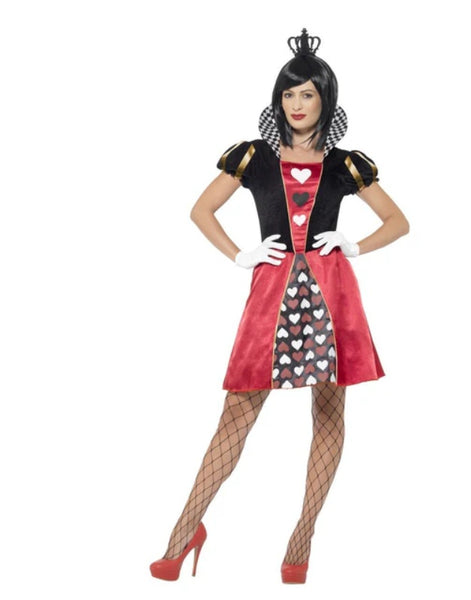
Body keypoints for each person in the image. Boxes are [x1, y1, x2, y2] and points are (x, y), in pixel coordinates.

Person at [149, 28, 410, 584]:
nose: (296, 104)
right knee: (237, 413)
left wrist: (354, 245)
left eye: (307, 94)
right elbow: (201, 211)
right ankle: (182, 534)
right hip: (271, 293)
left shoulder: (345, 163)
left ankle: (301, 539)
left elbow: (398, 221)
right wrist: (240, 255)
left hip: (332, 295)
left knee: (329, 412)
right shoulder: (254, 157)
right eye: (289, 94)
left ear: (325, 99)